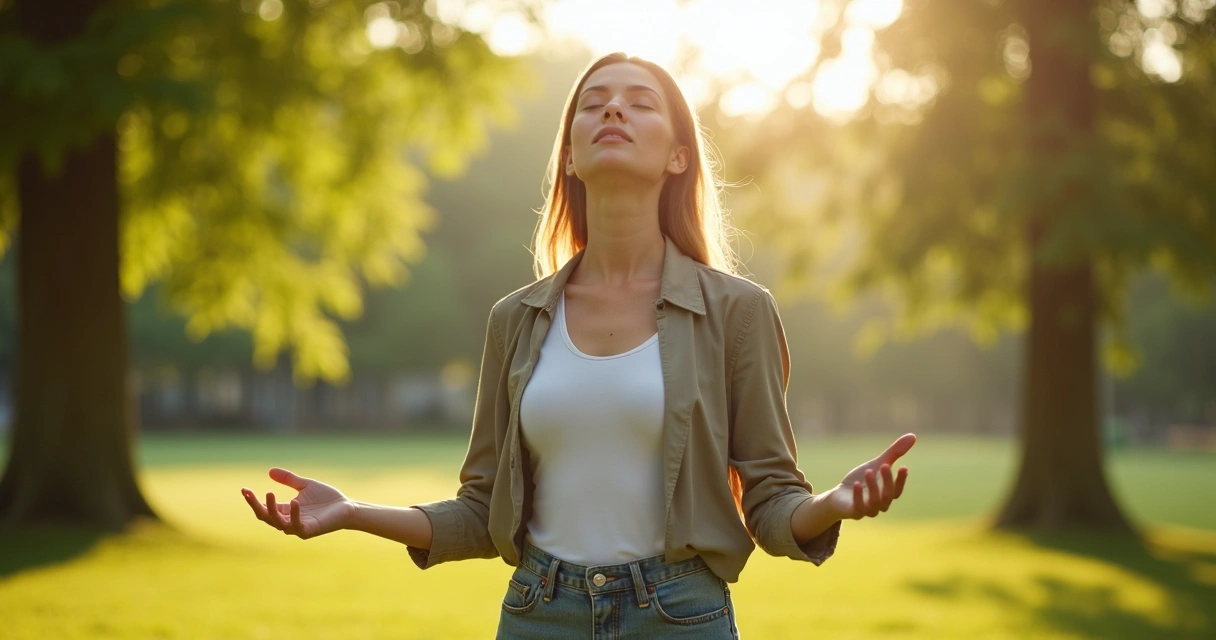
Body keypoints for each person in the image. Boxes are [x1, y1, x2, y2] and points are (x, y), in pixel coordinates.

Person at [241, 52, 916, 639]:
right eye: (592, 105)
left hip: (680, 618)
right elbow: (482, 511)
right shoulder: (517, 319)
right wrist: (352, 513)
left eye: (638, 103)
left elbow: (768, 502)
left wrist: (833, 503)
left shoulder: (738, 313)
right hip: (540, 614)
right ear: (570, 154)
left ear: (679, 156)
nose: (612, 111)